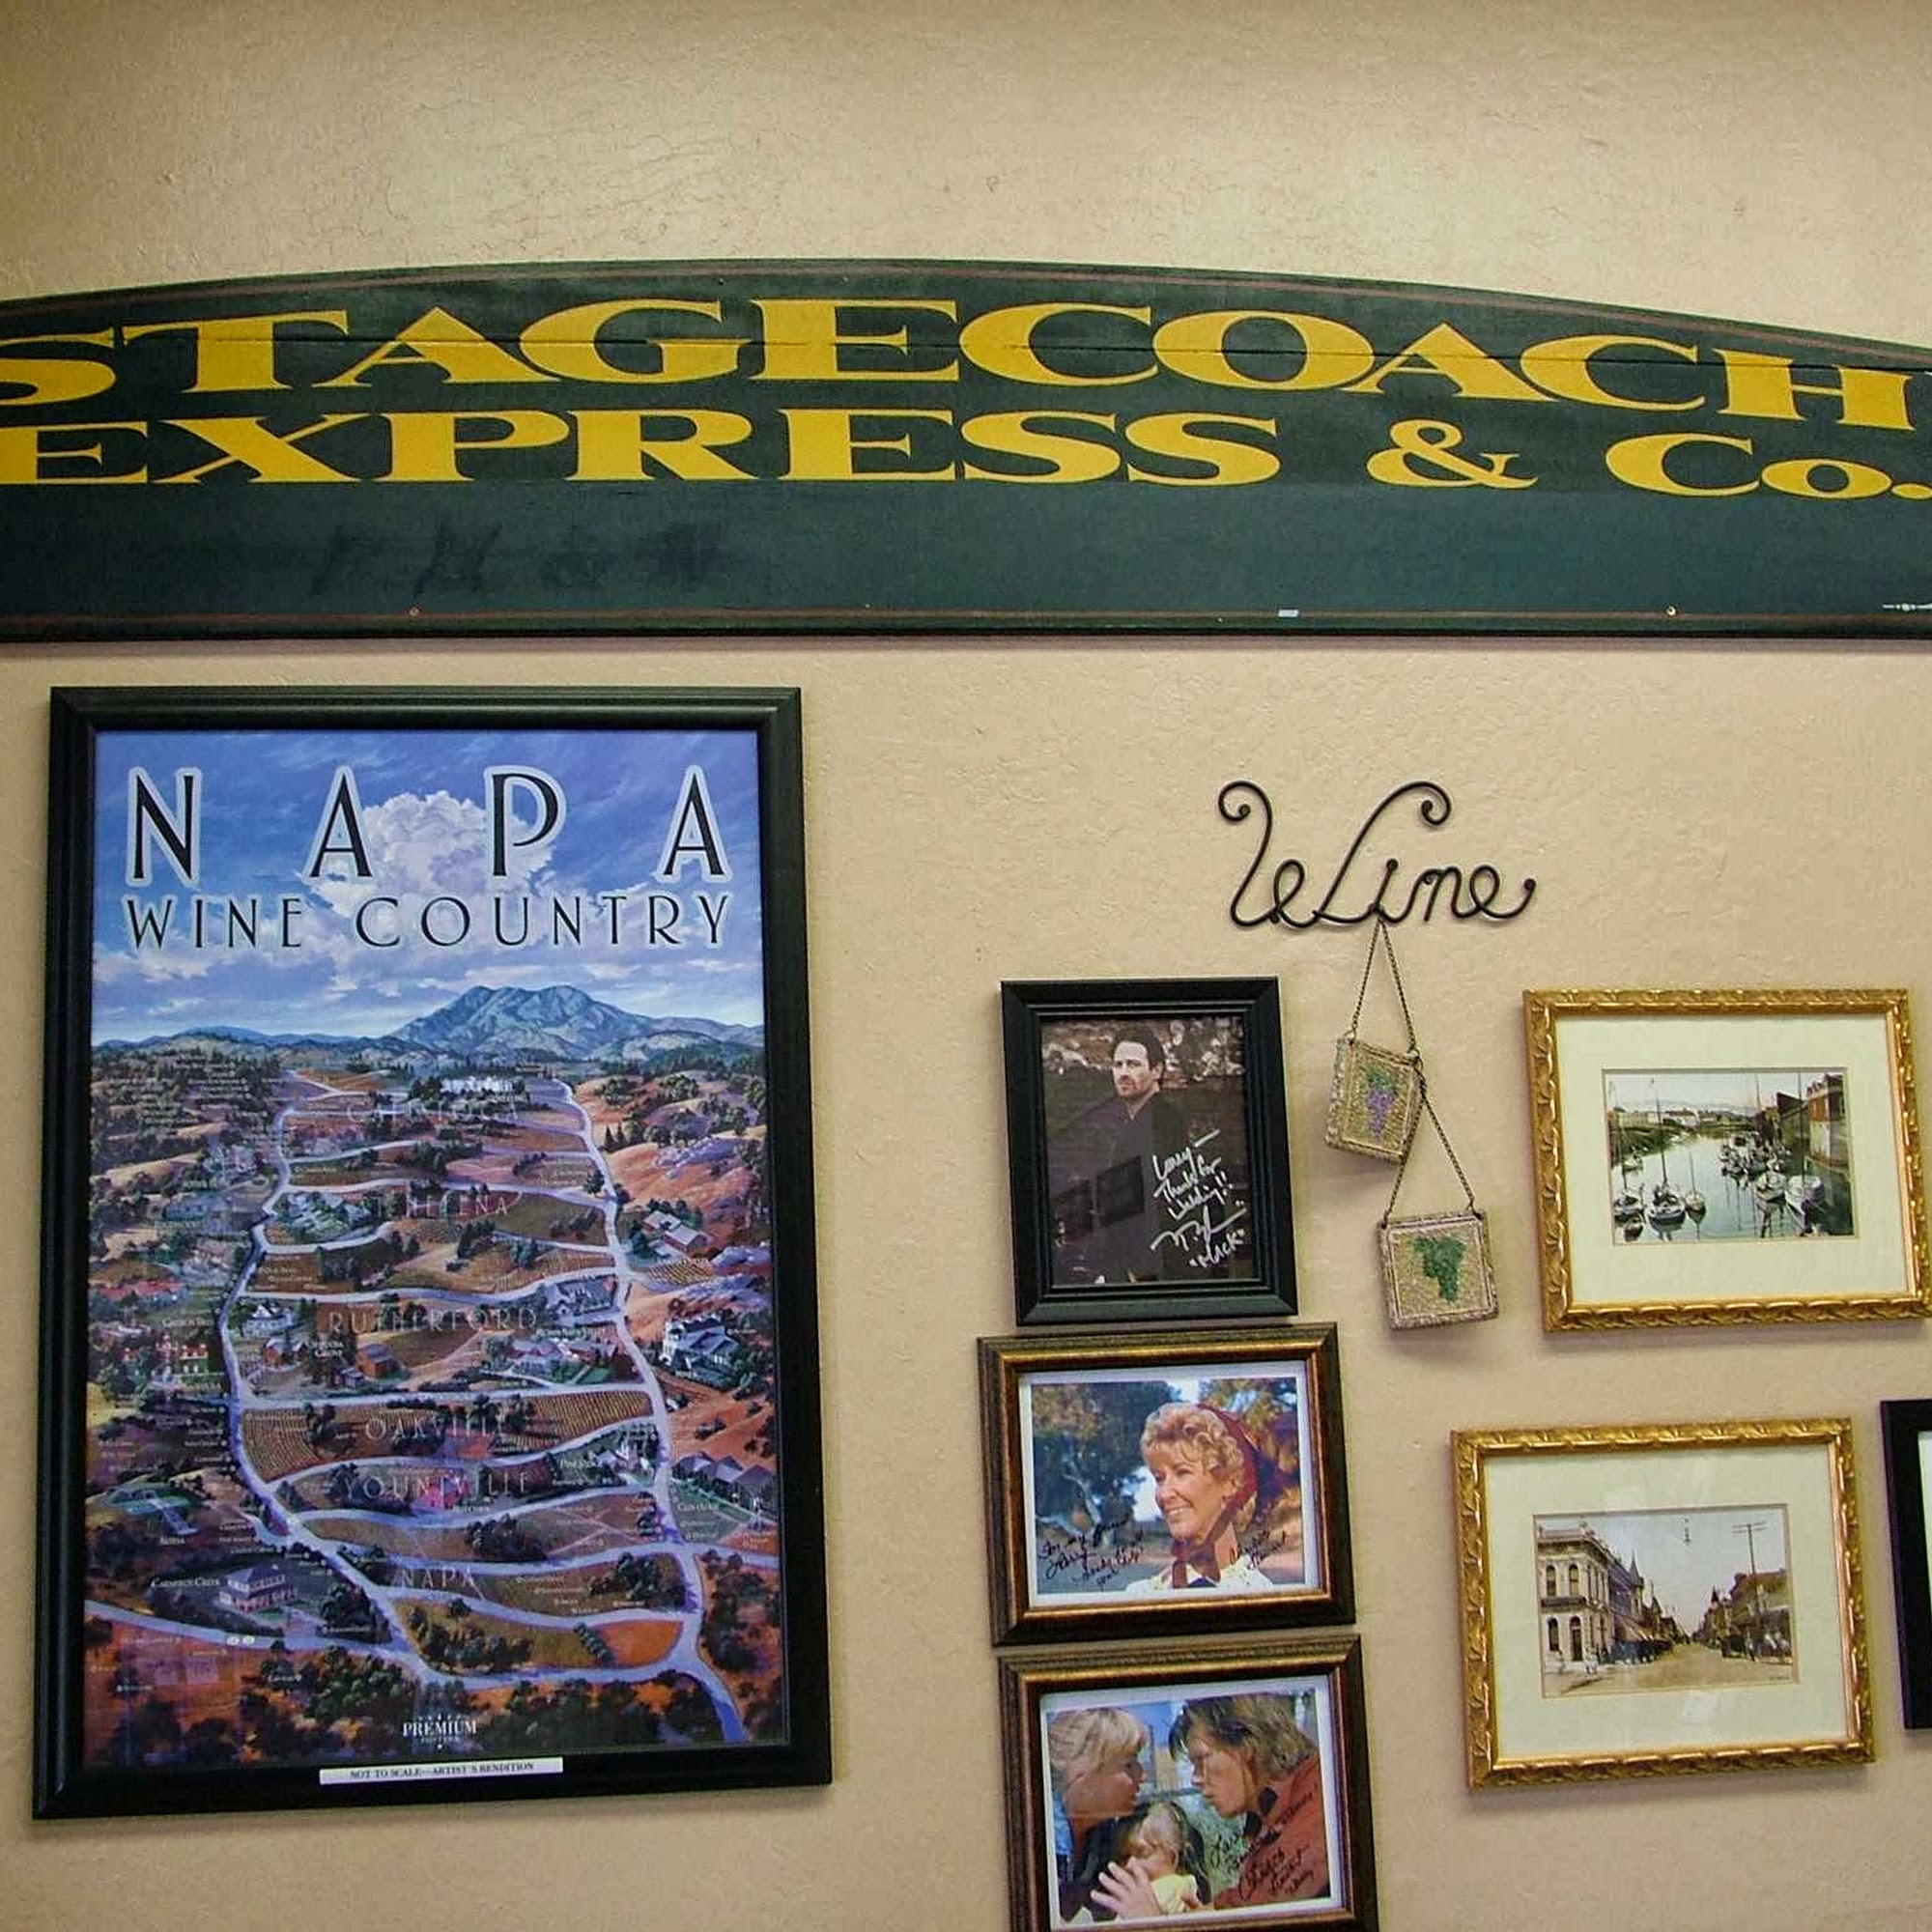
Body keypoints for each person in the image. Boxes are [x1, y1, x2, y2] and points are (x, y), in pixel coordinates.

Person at [1090, 1695, 1329, 1918]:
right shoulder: (1267, 1822)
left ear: (1246, 1746)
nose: (1195, 1778)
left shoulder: (1317, 1801)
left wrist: (1151, 1923)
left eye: (1201, 1760)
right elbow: (1248, 1902)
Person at [1048, 1028, 1189, 1284]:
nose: (1123, 1073)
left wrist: (1138, 1273)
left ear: (1156, 1070)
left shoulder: (1161, 1122)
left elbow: (1156, 1204)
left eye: (1133, 1064)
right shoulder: (1140, 1123)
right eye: (1118, 1065)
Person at [1124, 1403, 1274, 1594]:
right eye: (1159, 1478)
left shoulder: (1261, 1594)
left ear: (1229, 1482)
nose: (1164, 1494)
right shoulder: (1141, 1595)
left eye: (1182, 1472)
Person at [1046, 1706, 1151, 1923]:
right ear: (1081, 1767)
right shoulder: (1034, 1833)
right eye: (1129, 1764)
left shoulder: (1104, 1834)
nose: (1142, 1775)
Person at [1115, 1799, 1209, 1915]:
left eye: (1142, 1853)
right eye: (1124, 1857)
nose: (1129, 1865)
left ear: (1172, 1858)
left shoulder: (1169, 1888)